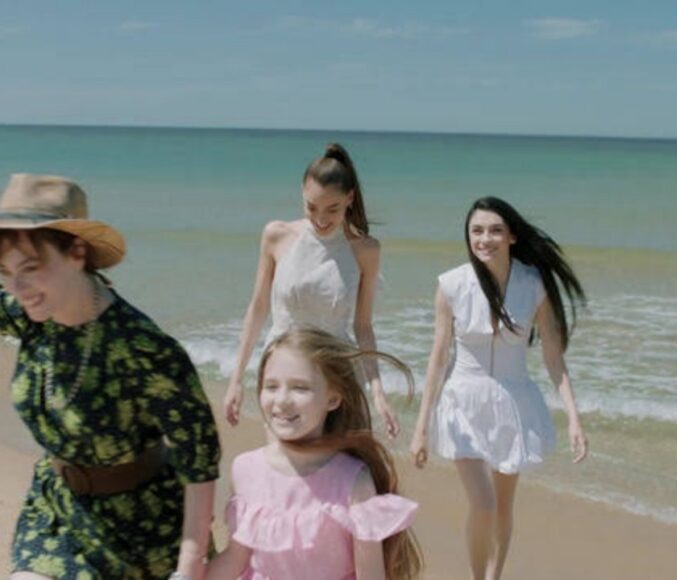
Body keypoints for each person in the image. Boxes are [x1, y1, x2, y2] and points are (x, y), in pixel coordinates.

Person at [0, 174, 221, 580]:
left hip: (143, 529)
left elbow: (199, 457)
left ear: (76, 252)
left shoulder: (142, 347)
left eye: (31, 267)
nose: (17, 286)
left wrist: (190, 566)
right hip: (58, 510)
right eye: (5, 271)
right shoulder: (29, 314)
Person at [409, 196, 588, 580]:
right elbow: (438, 358)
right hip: (463, 402)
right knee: (484, 504)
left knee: (504, 508)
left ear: (511, 237)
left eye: (494, 230)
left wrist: (574, 418)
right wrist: (421, 427)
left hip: (513, 403)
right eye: (476, 231)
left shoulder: (532, 285)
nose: (484, 239)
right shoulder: (452, 285)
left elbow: (554, 358)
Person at [207, 328, 422, 580]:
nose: (282, 400)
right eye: (271, 386)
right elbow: (235, 558)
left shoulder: (353, 479)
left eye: (300, 388)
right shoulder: (245, 469)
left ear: (333, 399)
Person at [223, 143, 400, 437]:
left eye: (332, 209)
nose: (320, 219)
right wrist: (236, 380)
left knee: (340, 461)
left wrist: (377, 391)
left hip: (337, 377)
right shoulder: (277, 235)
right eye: (311, 207)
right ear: (302, 195)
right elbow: (258, 308)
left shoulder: (366, 250)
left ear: (349, 199)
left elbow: (363, 326)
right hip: (284, 373)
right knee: (285, 459)